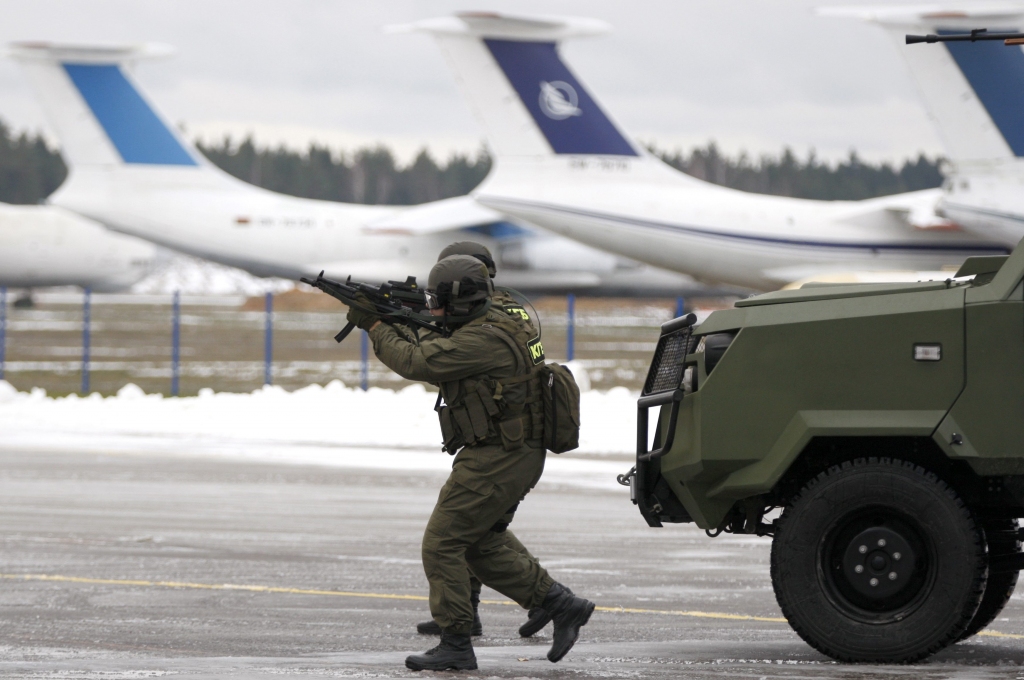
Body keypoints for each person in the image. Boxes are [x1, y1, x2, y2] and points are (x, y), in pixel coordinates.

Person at [345, 255, 594, 671]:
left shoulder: (483, 340)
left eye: (439, 300)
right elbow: (435, 338)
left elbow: (417, 361)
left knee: (442, 542)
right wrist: (399, 315)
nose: (434, 308)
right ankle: (560, 604)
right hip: (508, 450)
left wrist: (376, 325)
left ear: (461, 301)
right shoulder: (498, 316)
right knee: (479, 543)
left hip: (500, 456)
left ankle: (456, 642)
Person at [414, 241, 552, 641]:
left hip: (504, 442)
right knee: (477, 531)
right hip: (503, 437)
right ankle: (470, 611)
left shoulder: (489, 319)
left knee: (463, 534)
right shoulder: (507, 308)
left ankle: (545, 601)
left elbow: (427, 359)